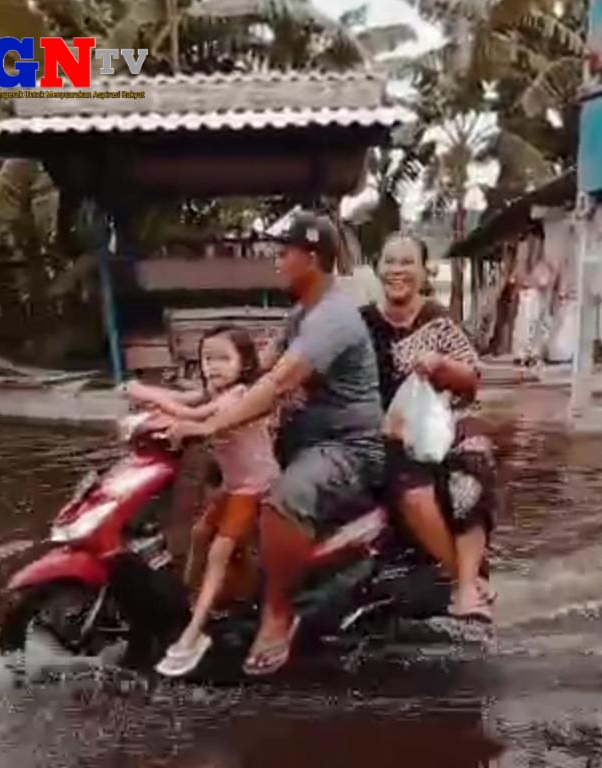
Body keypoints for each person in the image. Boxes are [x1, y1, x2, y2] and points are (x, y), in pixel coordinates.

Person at [156, 211, 385, 675]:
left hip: (347, 447)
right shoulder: (301, 313)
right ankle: (230, 589)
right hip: (304, 437)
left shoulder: (334, 317)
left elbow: (277, 384)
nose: (275, 261)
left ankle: (279, 612)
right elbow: (257, 370)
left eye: (284, 253)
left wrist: (207, 427)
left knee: (283, 500)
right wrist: (175, 406)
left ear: (314, 257)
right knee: (226, 488)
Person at [127, 326, 280, 677]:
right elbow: (184, 401)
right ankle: (193, 601)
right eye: (207, 358)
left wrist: (146, 395)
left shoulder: (239, 394)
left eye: (223, 358)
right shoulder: (214, 390)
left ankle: (195, 632)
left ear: (243, 364)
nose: (213, 366)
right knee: (198, 534)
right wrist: (147, 395)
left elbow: (196, 418)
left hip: (255, 487)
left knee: (218, 552)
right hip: (232, 485)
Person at [361, 234, 496, 622]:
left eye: (407, 262)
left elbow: (471, 381)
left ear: (423, 271)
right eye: (390, 261)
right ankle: (465, 580)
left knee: (475, 461)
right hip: (381, 433)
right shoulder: (361, 322)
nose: (397, 270)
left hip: (438, 425)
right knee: (414, 491)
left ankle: (466, 587)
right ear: (378, 267)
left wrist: (440, 365)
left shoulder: (438, 320)